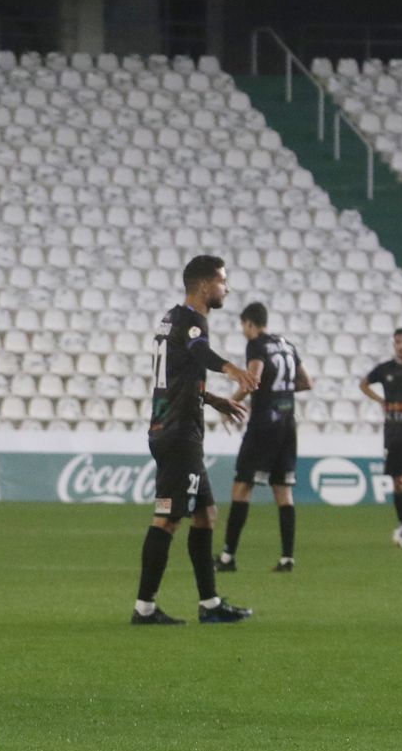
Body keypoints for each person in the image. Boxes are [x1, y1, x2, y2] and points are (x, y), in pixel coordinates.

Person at [132, 255, 256, 626]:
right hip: (178, 435)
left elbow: (179, 373)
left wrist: (215, 399)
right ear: (204, 285)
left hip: (177, 431)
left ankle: (210, 603)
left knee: (205, 516)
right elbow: (199, 352)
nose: (226, 288)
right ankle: (145, 608)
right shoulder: (191, 321)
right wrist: (232, 368)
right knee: (168, 519)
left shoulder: (172, 318)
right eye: (222, 281)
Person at [217, 302, 311, 573]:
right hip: (287, 423)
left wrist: (230, 404)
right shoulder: (287, 345)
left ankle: (227, 557)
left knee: (242, 486)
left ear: (249, 323)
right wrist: (280, 390)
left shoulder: (256, 345)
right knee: (283, 490)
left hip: (263, 425)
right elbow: (307, 382)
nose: (244, 332)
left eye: (243, 327)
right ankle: (287, 558)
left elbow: (253, 379)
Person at [360, 328, 402, 545]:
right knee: (398, 481)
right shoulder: (386, 369)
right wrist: (380, 401)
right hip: (394, 432)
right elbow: (363, 384)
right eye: (398, 342)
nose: (401, 346)